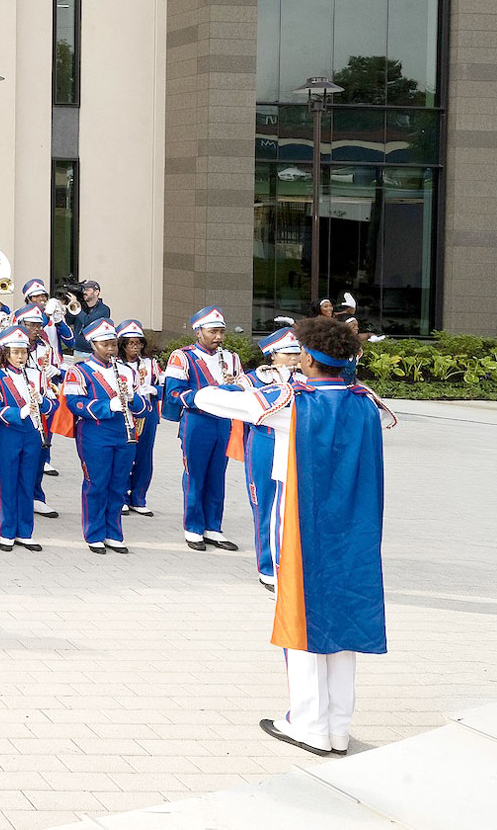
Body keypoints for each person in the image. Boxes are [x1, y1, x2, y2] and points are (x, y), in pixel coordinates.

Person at [191, 316, 392, 757]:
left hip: (303, 523)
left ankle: (307, 724)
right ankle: (337, 727)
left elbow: (206, 397)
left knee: (301, 616)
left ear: (308, 358)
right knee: (343, 621)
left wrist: (244, 386)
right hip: (353, 526)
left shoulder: (291, 401)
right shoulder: (364, 401)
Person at [163, 306, 244, 552]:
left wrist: (235, 387)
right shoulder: (182, 356)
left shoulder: (231, 358)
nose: (218, 337)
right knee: (195, 474)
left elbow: (242, 384)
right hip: (197, 421)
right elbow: (173, 393)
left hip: (223, 421)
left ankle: (214, 528)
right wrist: (207, 395)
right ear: (198, 332)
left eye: (221, 332)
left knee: (217, 475)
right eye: (213, 332)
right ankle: (194, 528)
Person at [64, 319, 148, 554]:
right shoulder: (79, 371)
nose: (111, 349)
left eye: (113, 344)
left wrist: (133, 399)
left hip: (125, 433)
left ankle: (114, 533)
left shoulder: (127, 371)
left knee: (118, 485)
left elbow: (144, 409)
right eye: (105, 345)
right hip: (95, 433)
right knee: (97, 483)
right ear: (93, 345)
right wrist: (107, 406)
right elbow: (74, 403)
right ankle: (94, 533)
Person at [236, 328, 305, 590]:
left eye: (298, 353)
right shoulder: (254, 379)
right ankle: (268, 566)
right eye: (289, 354)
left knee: (294, 507)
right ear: (273, 356)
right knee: (266, 503)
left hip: (297, 444)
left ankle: (291, 564)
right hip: (266, 441)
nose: (295, 358)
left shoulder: (306, 379)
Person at [0, 326, 57, 552]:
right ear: (6, 353)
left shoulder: (37, 375)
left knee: (27, 481)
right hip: (8, 432)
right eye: (15, 352)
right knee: (7, 482)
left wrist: (42, 402)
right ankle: (7, 532)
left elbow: (53, 404)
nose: (20, 357)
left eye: (24, 352)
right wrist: (19, 412)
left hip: (33, 433)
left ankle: (25, 532)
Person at [117, 321, 163, 518]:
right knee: (124, 456)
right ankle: (121, 497)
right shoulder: (116, 365)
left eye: (139, 343)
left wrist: (154, 389)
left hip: (148, 414)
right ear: (122, 345)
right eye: (131, 343)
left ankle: (139, 497)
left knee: (144, 456)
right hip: (124, 414)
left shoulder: (151, 364)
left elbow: (165, 388)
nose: (135, 348)